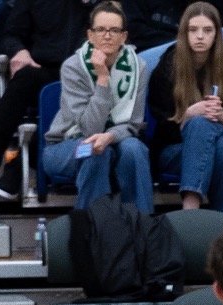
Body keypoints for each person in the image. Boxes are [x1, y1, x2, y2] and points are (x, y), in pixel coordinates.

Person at [0, 0, 88, 200]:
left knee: (69, 97)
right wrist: (19, 50)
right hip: (42, 67)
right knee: (24, 79)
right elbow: (12, 34)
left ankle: (17, 169)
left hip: (82, 75)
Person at [41, 2, 153, 213]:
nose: (107, 36)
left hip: (113, 144)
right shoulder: (73, 67)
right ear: (90, 35)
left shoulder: (139, 67)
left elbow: (134, 125)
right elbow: (89, 130)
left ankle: (142, 227)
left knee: (135, 149)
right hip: (66, 146)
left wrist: (109, 137)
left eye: (114, 30)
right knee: (94, 151)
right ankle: (93, 231)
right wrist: (103, 78)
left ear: (124, 36)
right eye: (100, 30)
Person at [146, 2, 223, 213]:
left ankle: (191, 208)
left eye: (207, 30)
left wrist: (222, 115)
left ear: (217, 33)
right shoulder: (168, 65)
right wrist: (188, 115)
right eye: (193, 30)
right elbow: (161, 130)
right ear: (183, 32)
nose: (200, 36)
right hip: (177, 150)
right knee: (214, 142)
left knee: (221, 145)